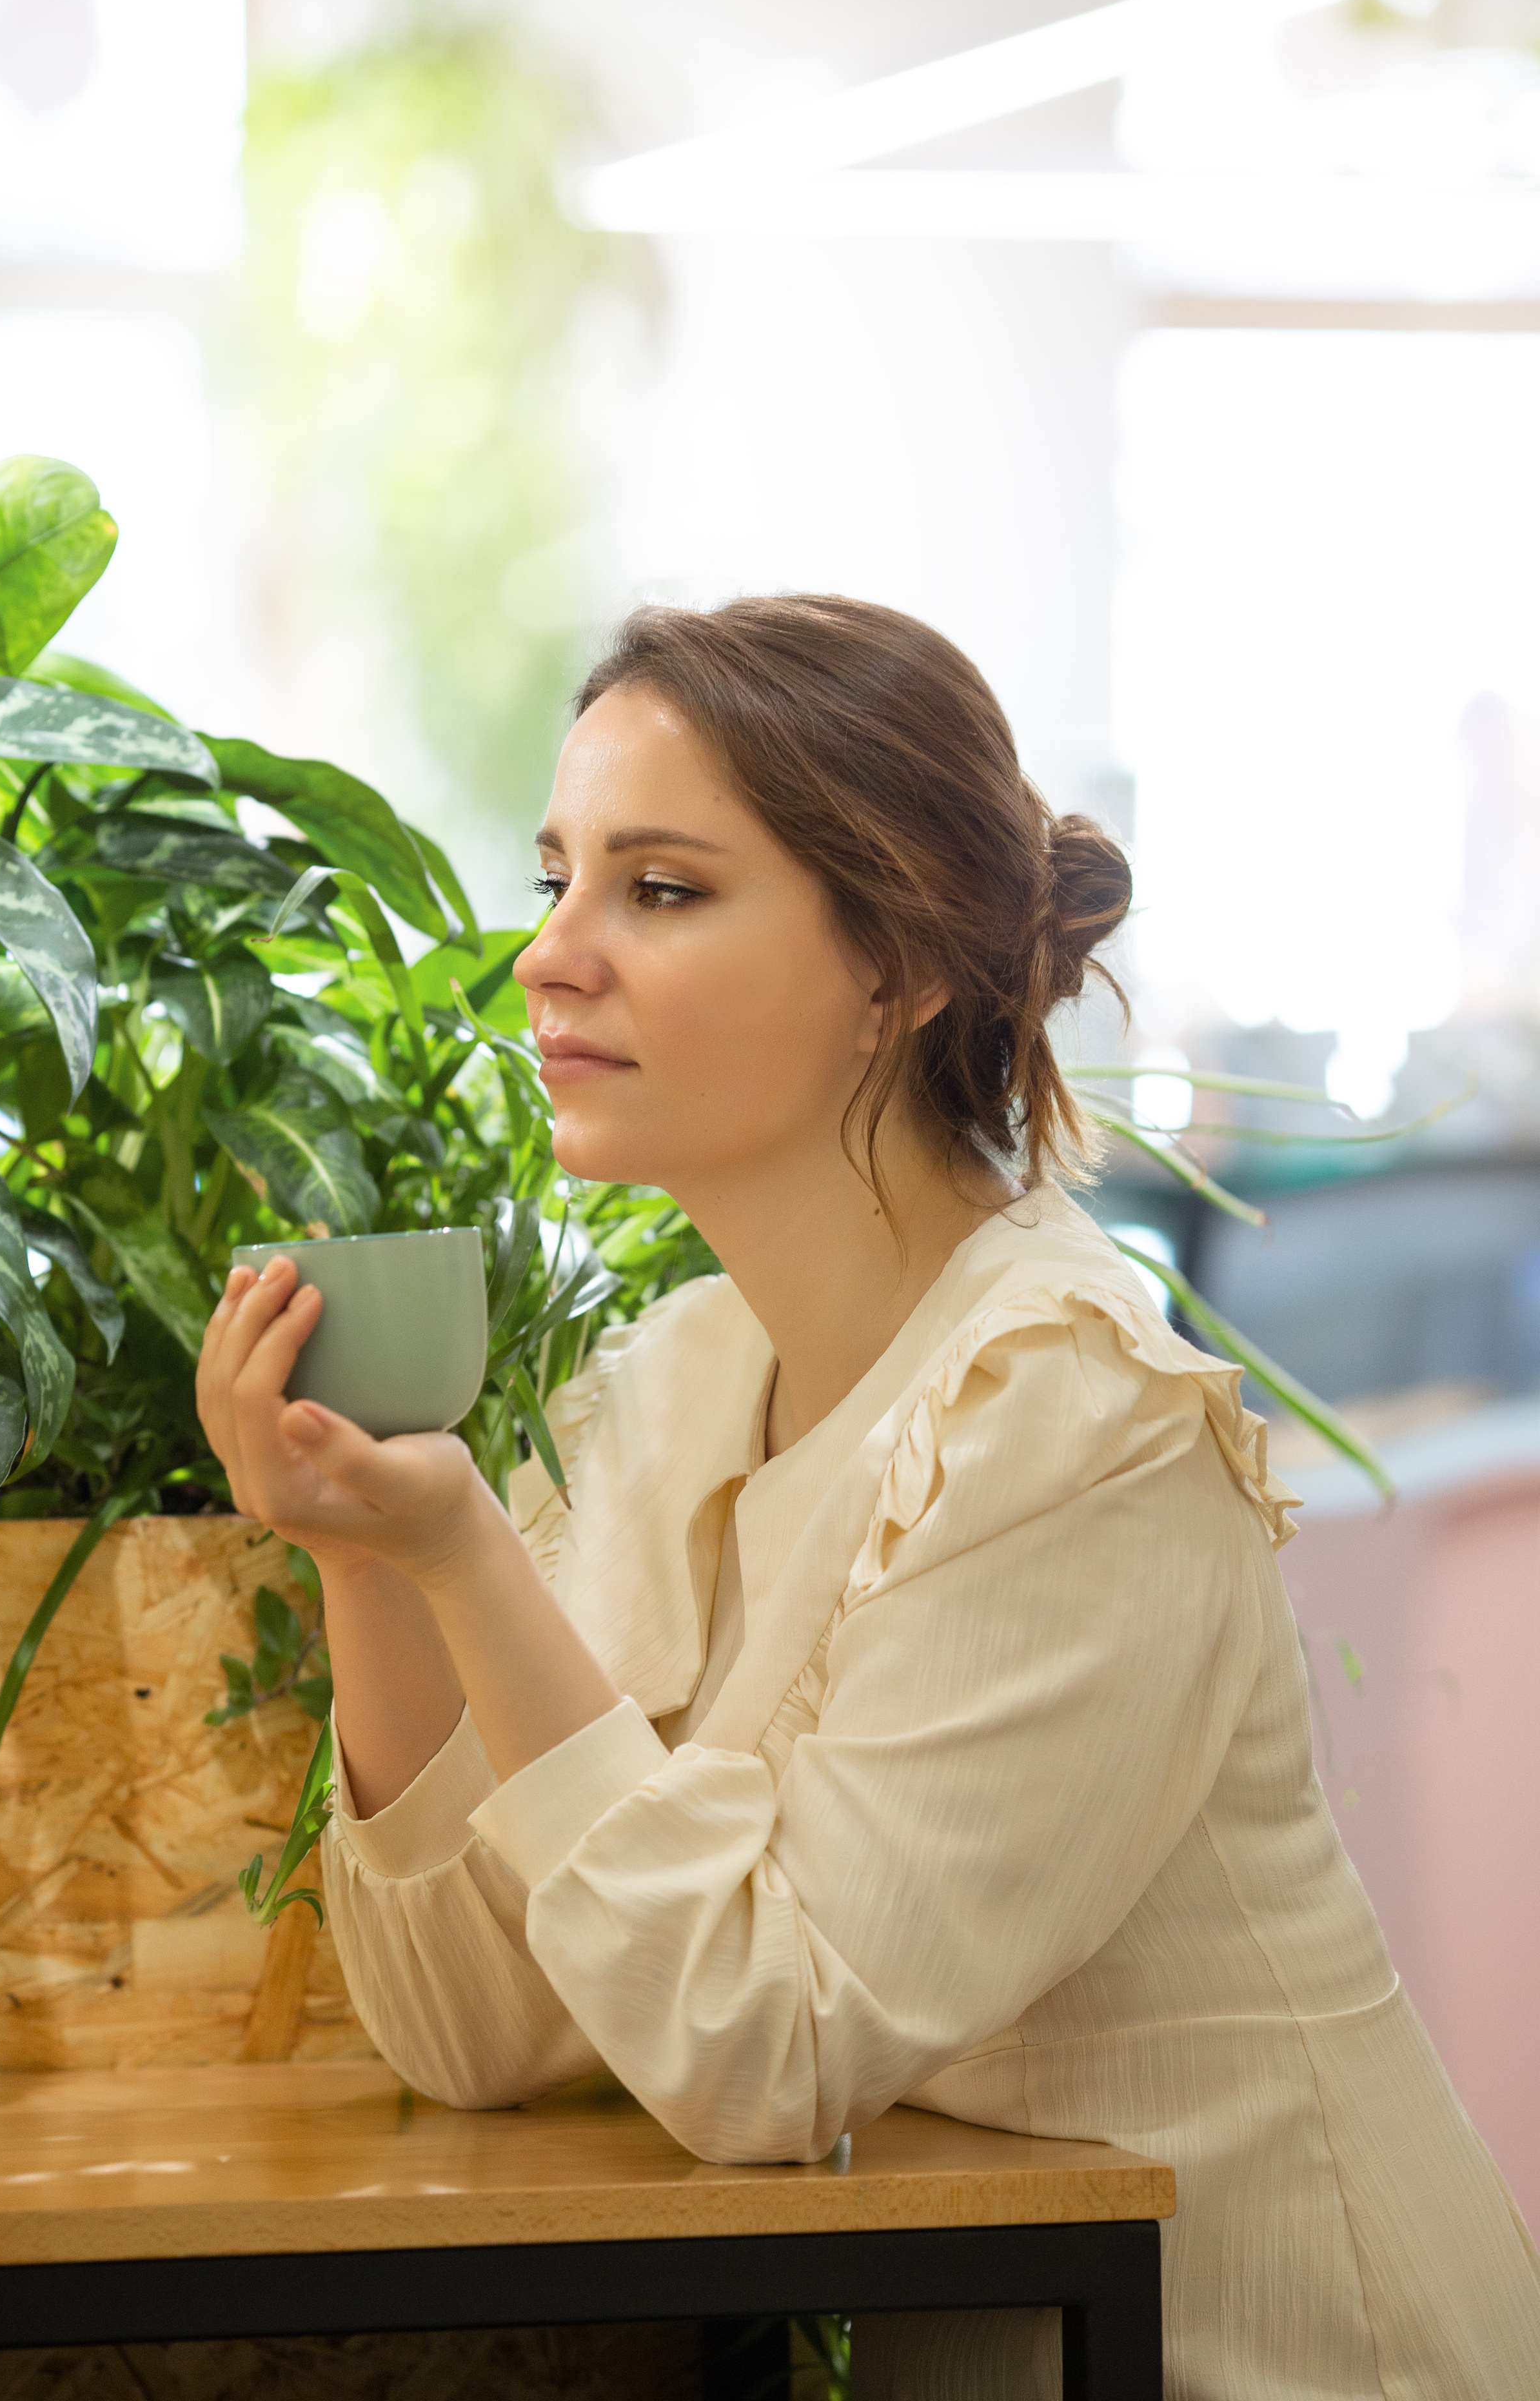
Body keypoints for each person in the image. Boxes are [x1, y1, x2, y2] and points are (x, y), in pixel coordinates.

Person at [197, 595, 1540, 2398]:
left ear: (897, 971)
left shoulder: (1069, 1406)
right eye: (556, 880)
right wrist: (373, 1557)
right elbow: (477, 2032)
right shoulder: (677, 1380)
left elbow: (760, 2052)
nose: (550, 958)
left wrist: (467, 1549)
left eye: (658, 889)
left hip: (1270, 2361)